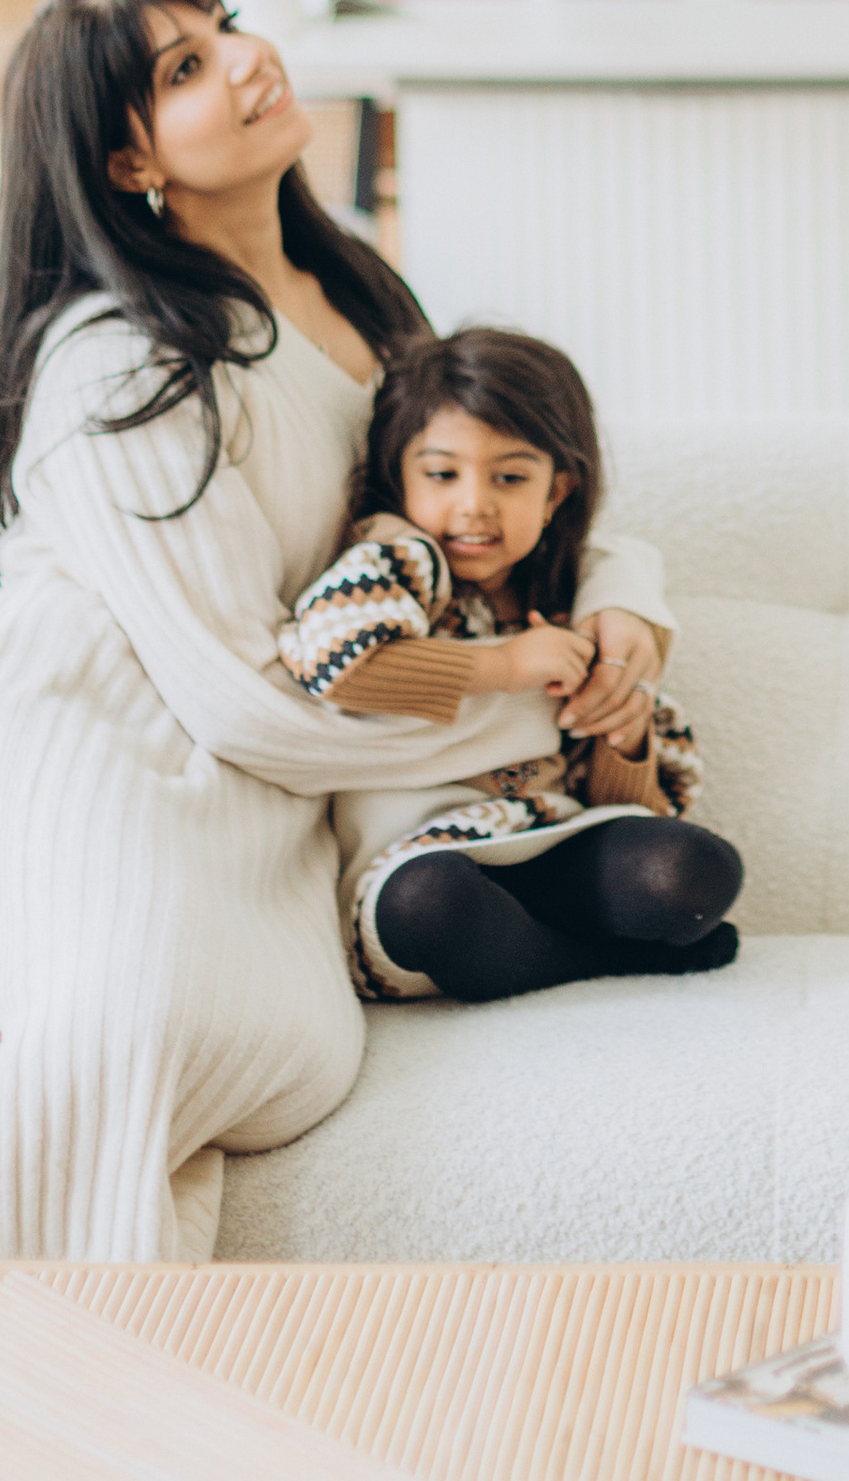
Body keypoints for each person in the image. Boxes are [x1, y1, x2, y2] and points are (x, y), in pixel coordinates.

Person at [0, 0, 672, 1262]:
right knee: (137, 1032)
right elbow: (242, 691)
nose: (244, 60)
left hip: (238, 760)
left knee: (286, 1048)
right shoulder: (115, 355)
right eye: (183, 69)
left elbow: (497, 498)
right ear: (127, 161)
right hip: (83, 733)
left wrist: (627, 615)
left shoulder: (361, 306)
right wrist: (529, 704)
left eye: (224, 30)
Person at [280, 322, 742, 1003]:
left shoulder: (570, 601)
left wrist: (626, 730)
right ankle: (585, 959)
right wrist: (504, 665)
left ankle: (547, 946)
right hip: (423, 864)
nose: (474, 503)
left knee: (692, 869)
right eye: (441, 474)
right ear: (398, 477)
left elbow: (627, 808)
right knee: (434, 905)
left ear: (555, 492)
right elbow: (333, 661)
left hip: (549, 842)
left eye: (510, 477)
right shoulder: (398, 560)